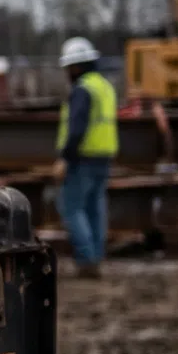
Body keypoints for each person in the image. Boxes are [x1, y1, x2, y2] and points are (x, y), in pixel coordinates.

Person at [53, 36, 117, 276]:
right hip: (103, 157)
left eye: (69, 67)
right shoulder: (105, 86)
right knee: (94, 208)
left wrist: (65, 159)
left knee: (71, 208)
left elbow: (77, 128)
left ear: (77, 66)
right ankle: (96, 256)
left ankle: (87, 259)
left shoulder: (83, 90)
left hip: (82, 158)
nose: (67, 72)